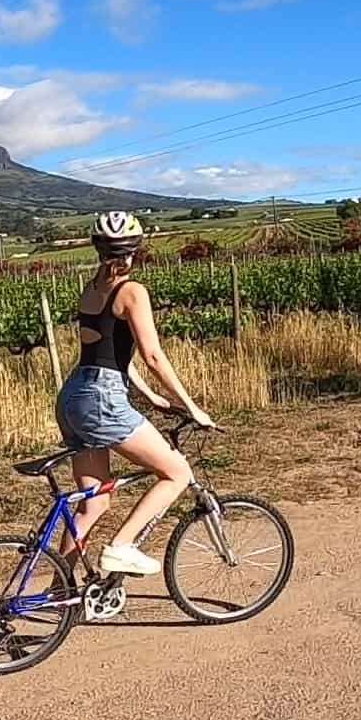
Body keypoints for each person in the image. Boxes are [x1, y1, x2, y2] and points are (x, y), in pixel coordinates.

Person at [54, 210, 215, 576]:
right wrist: (193, 407)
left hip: (73, 396)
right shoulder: (132, 292)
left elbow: (109, 356)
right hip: (101, 401)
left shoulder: (91, 288)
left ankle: (63, 592)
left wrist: (151, 397)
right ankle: (121, 547)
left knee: (93, 504)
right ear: (135, 250)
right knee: (176, 471)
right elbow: (153, 356)